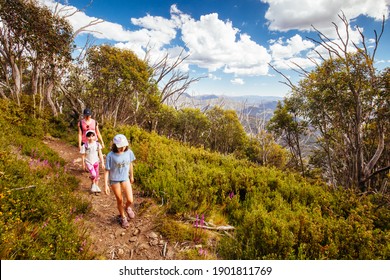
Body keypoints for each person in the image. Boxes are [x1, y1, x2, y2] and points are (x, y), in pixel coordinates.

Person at [104, 134, 136, 229]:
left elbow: (130, 164)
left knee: (130, 199)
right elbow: (107, 170)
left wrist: (132, 176)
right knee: (120, 199)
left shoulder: (129, 152)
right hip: (114, 180)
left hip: (125, 178)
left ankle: (127, 207)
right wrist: (105, 185)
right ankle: (123, 217)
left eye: (124, 146)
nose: (122, 148)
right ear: (115, 146)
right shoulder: (110, 155)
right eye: (119, 147)